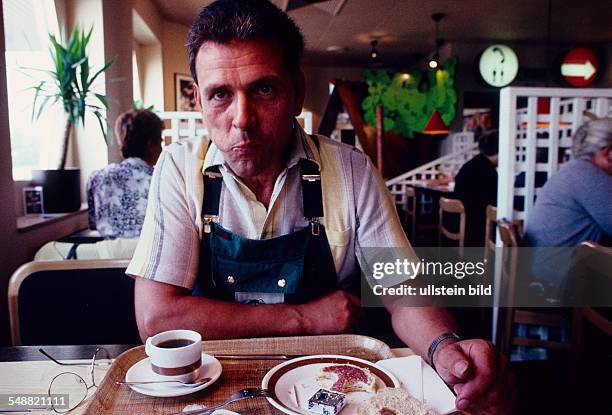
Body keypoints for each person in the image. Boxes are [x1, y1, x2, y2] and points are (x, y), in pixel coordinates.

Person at [127, 1, 512, 413]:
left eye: (264, 89)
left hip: (332, 385)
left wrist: (444, 351)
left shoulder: (349, 170)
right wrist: (304, 319)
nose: (242, 118)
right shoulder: (181, 168)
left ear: (297, 92)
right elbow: (158, 318)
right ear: (201, 102)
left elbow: (402, 291)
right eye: (220, 94)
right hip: (214, 387)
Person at [523, 117, 612, 247]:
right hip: (558, 265)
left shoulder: (576, 169)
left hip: (541, 261)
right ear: (608, 153)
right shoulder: (590, 176)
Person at [87, 109, 164, 239]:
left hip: (106, 256)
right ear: (151, 145)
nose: (162, 149)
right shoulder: (161, 180)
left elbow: (93, 224)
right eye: (161, 142)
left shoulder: (96, 178)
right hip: (147, 256)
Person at [453, 131, 498, 246]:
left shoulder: (473, 164)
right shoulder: (487, 171)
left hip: (459, 222)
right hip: (475, 230)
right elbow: (493, 203)